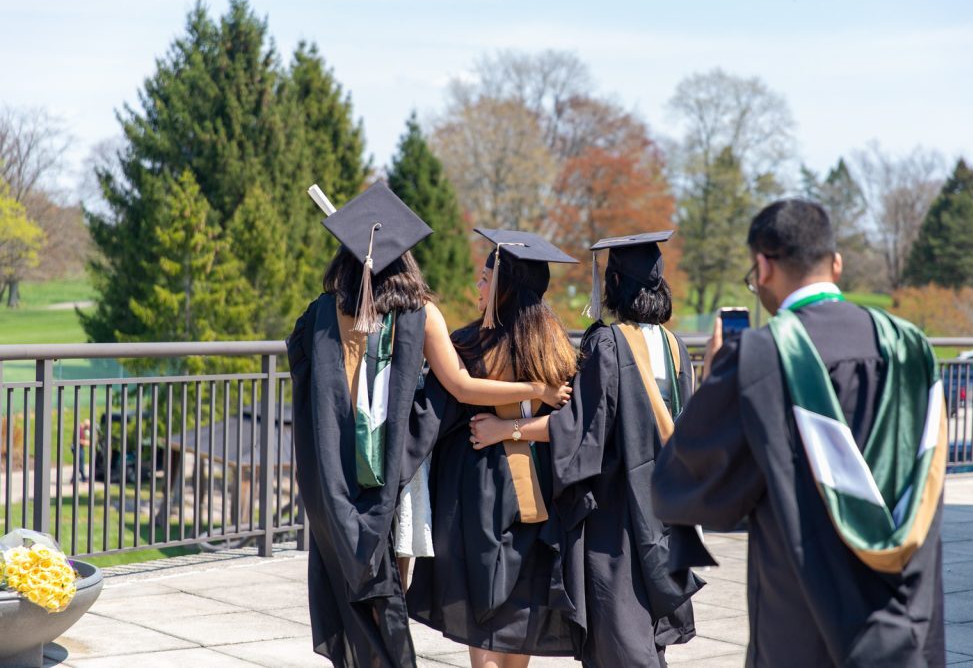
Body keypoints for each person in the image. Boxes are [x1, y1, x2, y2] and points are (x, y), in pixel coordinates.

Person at [288, 183, 570, 668]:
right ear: (405, 260)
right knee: (388, 585)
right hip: (389, 470)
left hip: (331, 473)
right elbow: (460, 388)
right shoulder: (421, 314)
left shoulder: (317, 315)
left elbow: (303, 373)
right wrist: (535, 393)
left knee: (343, 586)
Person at [652, 199, 946, 666]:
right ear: (836, 262)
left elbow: (690, 488)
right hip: (909, 617)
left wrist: (714, 381)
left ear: (763, 267)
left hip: (804, 623)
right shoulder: (911, 348)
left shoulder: (760, 357)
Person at [469, 230, 709, 668]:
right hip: (663, 507)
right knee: (647, 623)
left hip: (616, 511)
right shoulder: (675, 348)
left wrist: (508, 428)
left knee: (618, 630)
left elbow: (577, 428)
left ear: (615, 284)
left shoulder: (608, 343)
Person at [406, 229, 580, 668]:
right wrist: (517, 425)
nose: (478, 287)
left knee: (479, 606)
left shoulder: (467, 344)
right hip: (538, 492)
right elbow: (575, 424)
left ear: (504, 285)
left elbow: (435, 415)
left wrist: (501, 427)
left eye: (486, 279)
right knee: (523, 604)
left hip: (477, 490)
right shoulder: (560, 350)